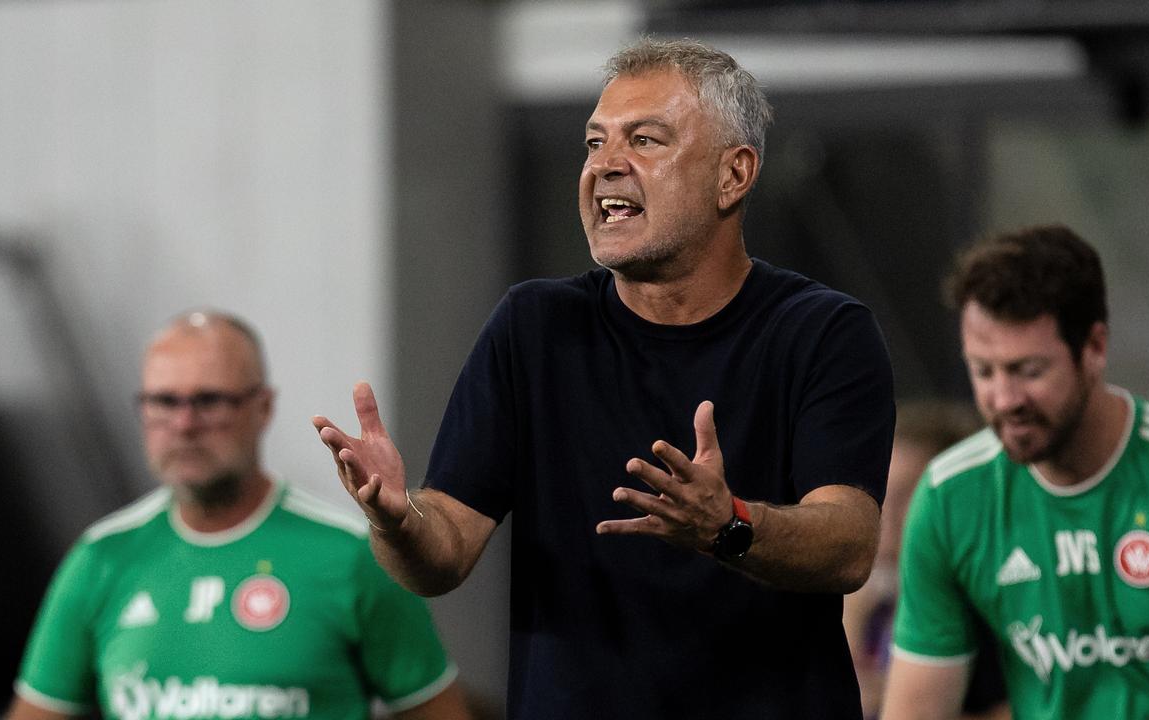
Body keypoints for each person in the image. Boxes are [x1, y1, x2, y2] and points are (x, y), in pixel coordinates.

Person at [313, 38, 895, 719]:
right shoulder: (534, 326)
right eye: (594, 144)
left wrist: (725, 524)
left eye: (645, 140)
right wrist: (396, 519)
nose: (604, 167)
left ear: (732, 176)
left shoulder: (820, 331)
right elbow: (441, 556)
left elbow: (848, 545)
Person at [8, 311, 471, 720]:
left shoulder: (353, 554)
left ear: (263, 407)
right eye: (165, 401)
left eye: (209, 400)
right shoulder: (100, 558)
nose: (185, 424)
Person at [881, 224, 1149, 719]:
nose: (1005, 400)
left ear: (1094, 347)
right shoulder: (950, 497)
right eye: (984, 371)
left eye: (1029, 371)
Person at [842, 400, 1008, 720]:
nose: (885, 512)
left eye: (908, 496)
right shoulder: (870, 604)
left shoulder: (991, 604)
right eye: (881, 492)